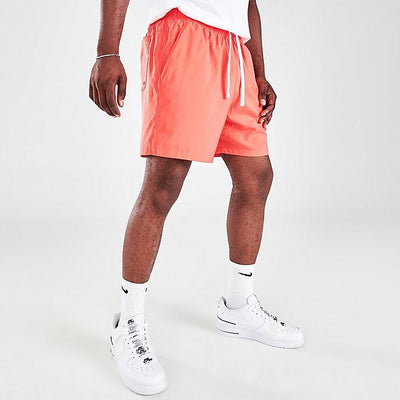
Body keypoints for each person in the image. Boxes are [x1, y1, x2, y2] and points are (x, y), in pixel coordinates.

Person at [89, 0, 304, 395]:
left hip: (236, 50)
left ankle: (238, 305)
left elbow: (249, 4)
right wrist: (107, 51)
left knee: (256, 177)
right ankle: (128, 322)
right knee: (163, 183)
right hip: (183, 33)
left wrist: (259, 71)